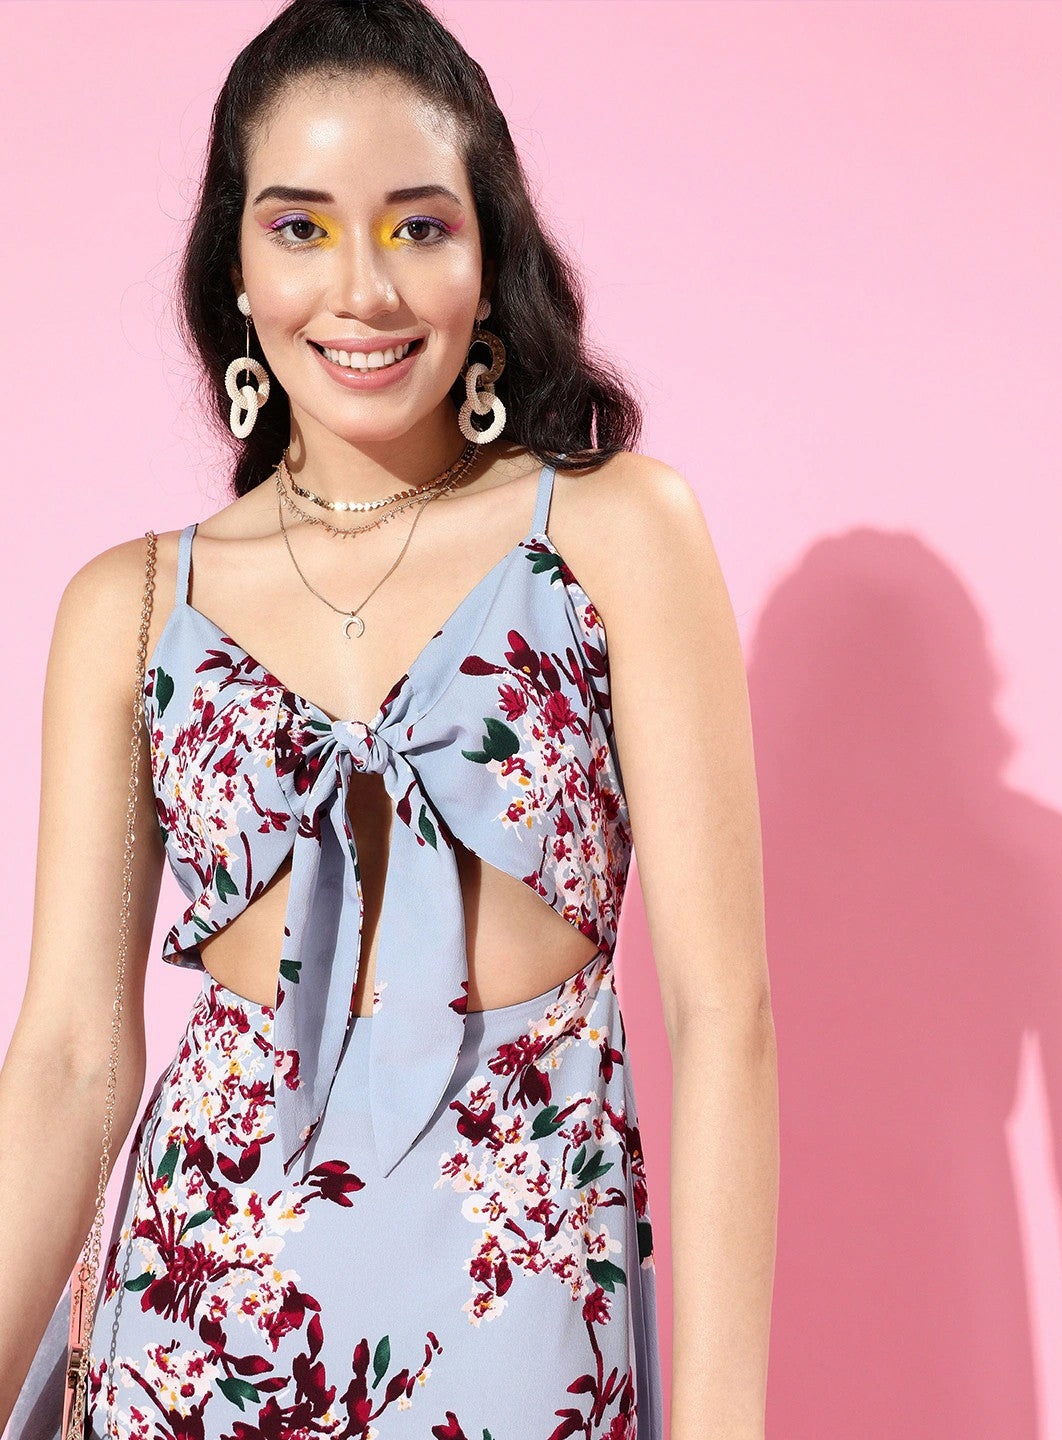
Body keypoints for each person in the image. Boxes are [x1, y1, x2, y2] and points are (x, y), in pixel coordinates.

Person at [0, 0, 778, 1435]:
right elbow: (69, 1062)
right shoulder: (131, 605)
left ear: (490, 260)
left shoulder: (612, 532)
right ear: (235, 270)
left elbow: (724, 1018)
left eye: (419, 227)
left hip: (517, 1318)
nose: (362, 289)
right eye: (299, 228)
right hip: (196, 1328)